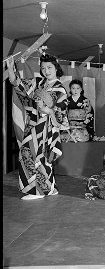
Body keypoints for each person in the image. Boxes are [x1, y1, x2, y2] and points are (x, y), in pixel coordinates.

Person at [6, 54, 69, 200]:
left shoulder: (60, 88)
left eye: (49, 67)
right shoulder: (38, 82)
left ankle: (38, 191)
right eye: (43, 68)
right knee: (36, 155)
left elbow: (61, 111)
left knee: (34, 154)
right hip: (33, 124)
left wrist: (48, 110)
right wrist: (11, 69)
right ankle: (50, 188)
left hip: (46, 126)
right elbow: (20, 86)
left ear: (56, 68)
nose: (46, 71)